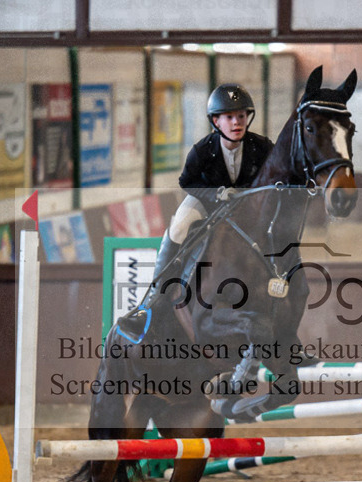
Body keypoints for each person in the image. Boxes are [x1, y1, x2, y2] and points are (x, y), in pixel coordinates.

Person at [116, 83, 275, 342]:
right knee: (179, 225)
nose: (237, 122)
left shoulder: (262, 146)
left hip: (247, 208)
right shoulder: (203, 149)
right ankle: (152, 302)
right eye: (230, 117)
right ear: (216, 121)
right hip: (207, 202)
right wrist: (216, 193)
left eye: (242, 116)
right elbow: (187, 181)